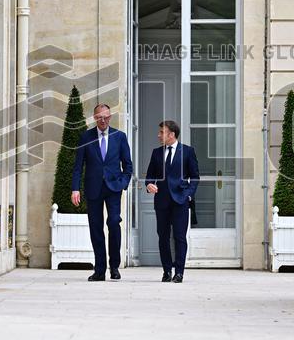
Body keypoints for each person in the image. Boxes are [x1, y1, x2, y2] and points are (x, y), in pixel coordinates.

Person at [71, 104, 133, 282]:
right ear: (94, 118)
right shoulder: (86, 137)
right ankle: (99, 270)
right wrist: (75, 188)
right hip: (93, 188)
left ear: (110, 116)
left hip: (114, 187)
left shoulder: (119, 137)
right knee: (95, 228)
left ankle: (114, 266)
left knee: (114, 222)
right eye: (99, 117)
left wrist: (123, 183)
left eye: (106, 117)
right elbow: (78, 167)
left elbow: (128, 165)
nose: (103, 120)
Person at [144, 120, 200, 283]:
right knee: (163, 237)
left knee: (179, 237)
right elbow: (149, 176)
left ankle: (179, 272)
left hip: (180, 201)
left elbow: (195, 177)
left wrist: (188, 194)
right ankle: (167, 271)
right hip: (161, 202)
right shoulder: (156, 153)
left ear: (171, 134)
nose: (159, 135)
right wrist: (149, 185)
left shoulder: (188, 152)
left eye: (162, 132)